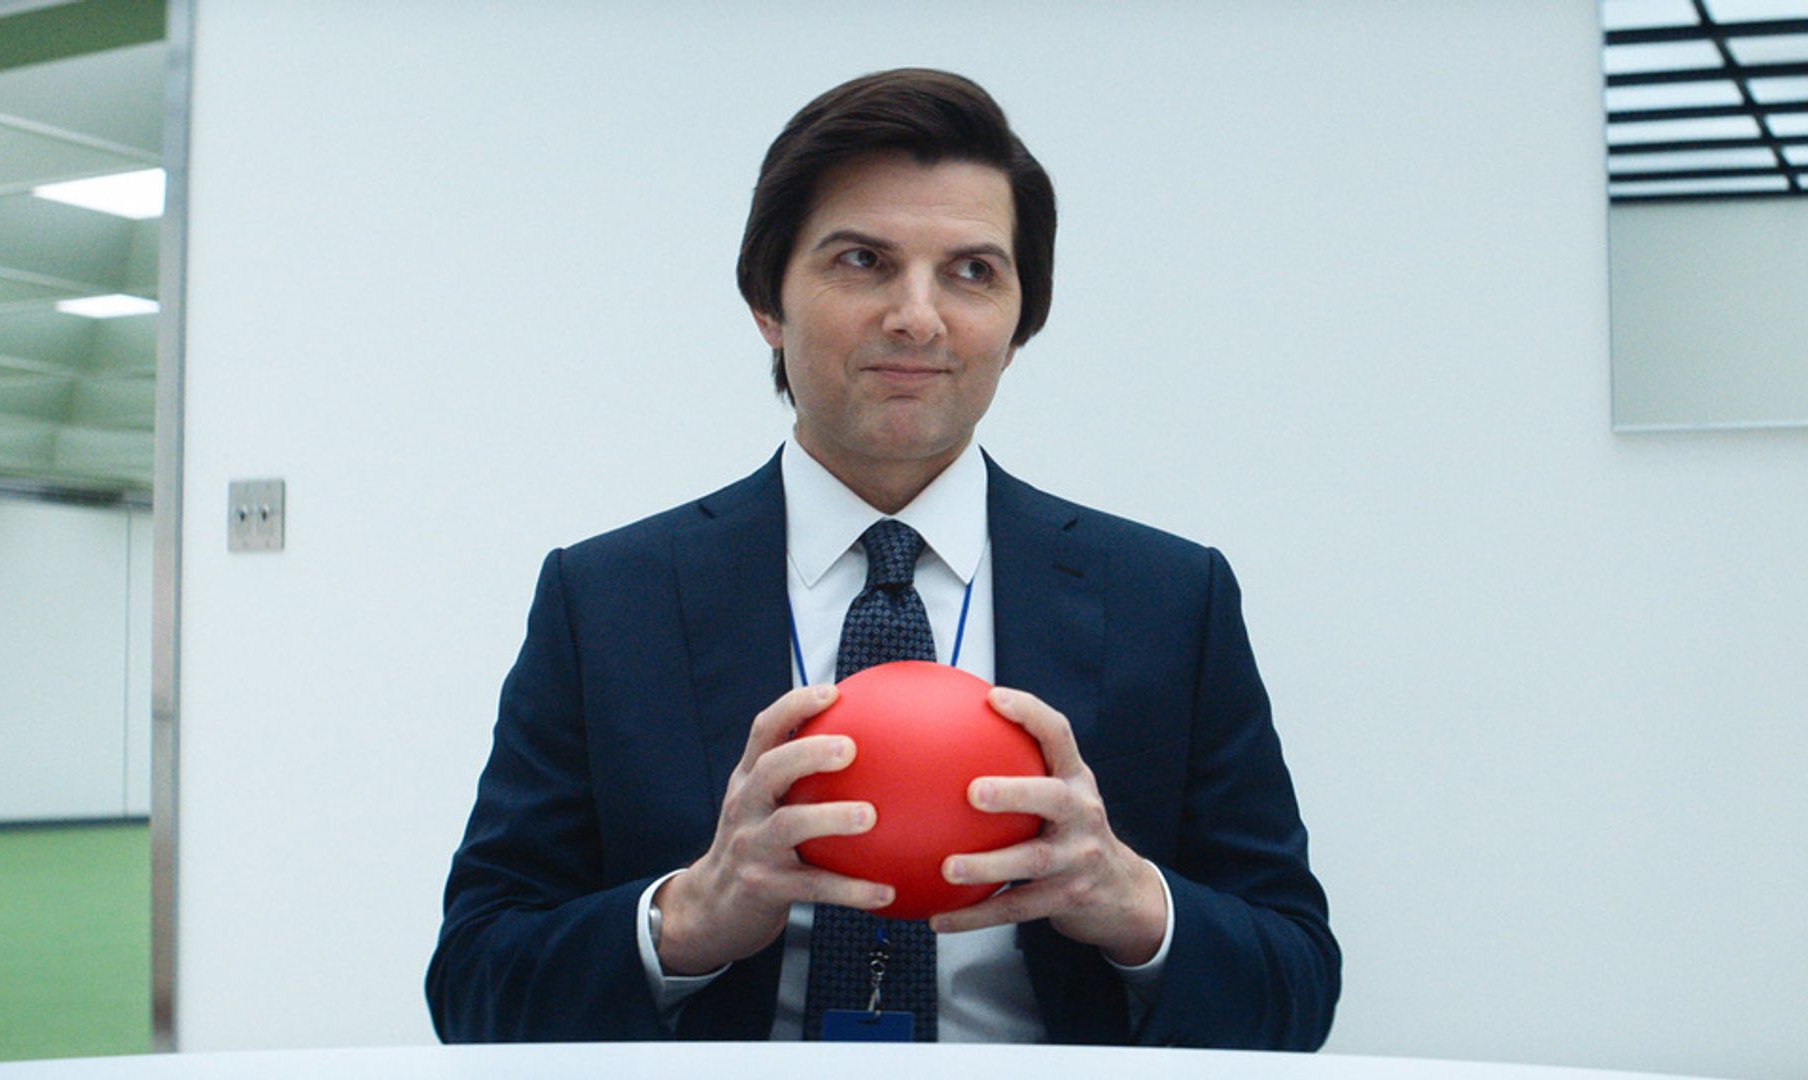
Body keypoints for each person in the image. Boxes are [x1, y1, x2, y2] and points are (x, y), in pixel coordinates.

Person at [426, 67, 1338, 1047]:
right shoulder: (606, 601)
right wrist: (685, 919)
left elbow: (1297, 987)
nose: (918, 317)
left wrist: (1131, 903)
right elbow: (474, 986)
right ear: (766, 302)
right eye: (863, 261)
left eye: (972, 271)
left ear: (1022, 321)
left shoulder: (1170, 598)